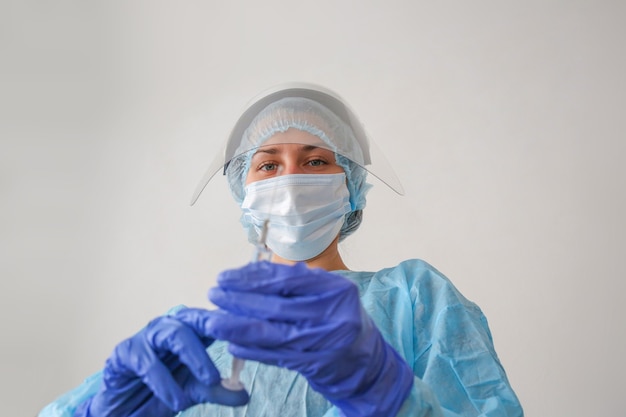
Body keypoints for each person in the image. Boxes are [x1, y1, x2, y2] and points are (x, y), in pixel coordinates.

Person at [39, 83, 524, 417]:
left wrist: (388, 395)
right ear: (242, 192)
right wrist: (97, 409)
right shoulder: (194, 346)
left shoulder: (415, 300)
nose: (292, 181)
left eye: (316, 161)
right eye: (268, 166)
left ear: (351, 186)